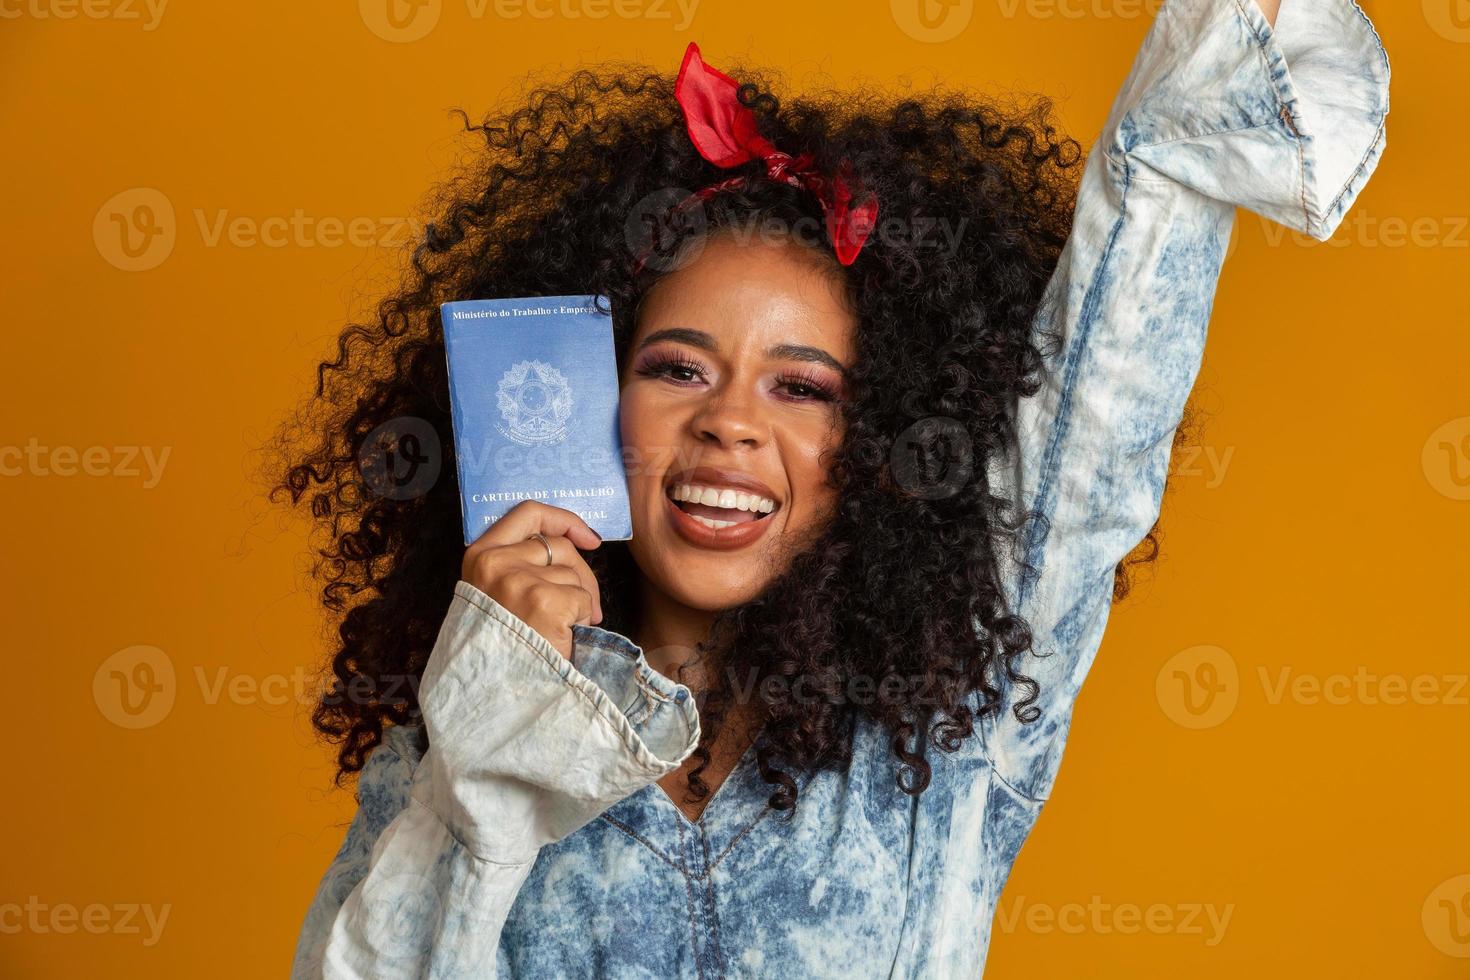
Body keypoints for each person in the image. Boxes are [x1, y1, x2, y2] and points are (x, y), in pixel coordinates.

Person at [281, 1, 1389, 975]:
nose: (730, 420)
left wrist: (1189, 116)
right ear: (591, 399)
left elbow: (1095, 433)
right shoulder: (453, 742)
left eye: (802, 387)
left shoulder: (960, 722)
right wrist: (499, 742)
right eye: (676, 367)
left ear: (881, 441)